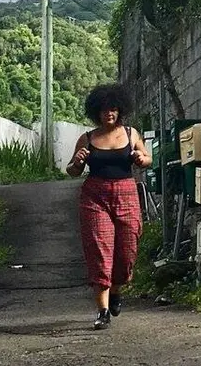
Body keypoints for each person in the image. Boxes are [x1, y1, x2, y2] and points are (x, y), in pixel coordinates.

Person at [66, 83, 152, 330]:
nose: (109, 114)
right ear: (97, 113)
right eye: (104, 110)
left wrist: (140, 158)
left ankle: (116, 291)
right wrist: (79, 161)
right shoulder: (88, 138)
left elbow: (148, 158)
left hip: (126, 194)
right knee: (99, 249)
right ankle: (102, 310)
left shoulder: (130, 133)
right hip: (95, 196)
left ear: (120, 110)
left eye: (113, 109)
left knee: (126, 251)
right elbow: (72, 170)